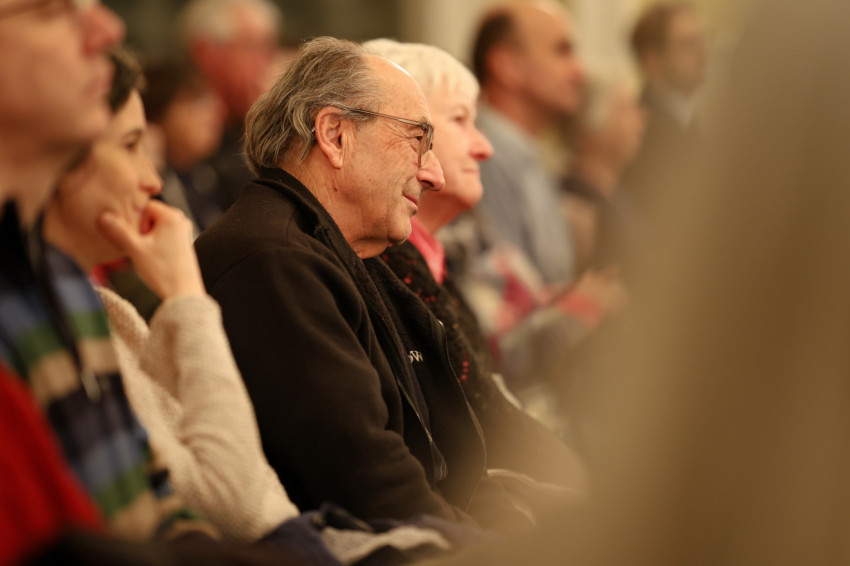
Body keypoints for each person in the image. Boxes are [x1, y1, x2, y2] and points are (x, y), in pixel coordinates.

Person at [196, 37, 532, 532]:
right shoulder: (274, 261)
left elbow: (439, 462)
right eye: (418, 140)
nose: (434, 174)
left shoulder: (328, 250)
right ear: (335, 135)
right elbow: (370, 485)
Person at [361, 38, 587, 490]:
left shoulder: (433, 265)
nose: (484, 147)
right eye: (461, 120)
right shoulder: (382, 272)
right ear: (400, 133)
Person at [471, 0, 584, 285]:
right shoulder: (483, 158)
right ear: (507, 65)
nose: (579, 71)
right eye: (562, 51)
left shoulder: (524, 154)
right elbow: (508, 298)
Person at [179, 0, 282, 209]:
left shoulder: (245, 118)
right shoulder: (182, 130)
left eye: (270, 47)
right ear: (204, 53)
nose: (266, 62)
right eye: (253, 47)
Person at [622, 1, 707, 215]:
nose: (702, 54)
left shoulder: (686, 120)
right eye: (688, 44)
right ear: (651, 60)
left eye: (702, 41)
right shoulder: (642, 130)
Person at [561, 73, 645, 275]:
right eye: (625, 109)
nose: (641, 118)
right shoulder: (574, 203)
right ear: (588, 127)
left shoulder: (618, 196)